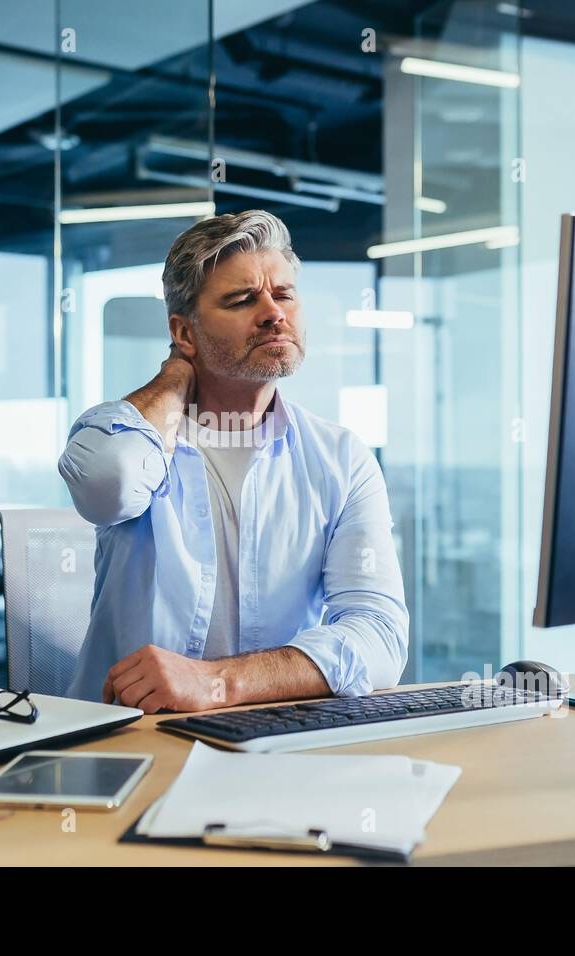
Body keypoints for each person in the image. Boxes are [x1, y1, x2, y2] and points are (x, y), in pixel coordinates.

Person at [58, 209, 408, 712]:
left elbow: (379, 636)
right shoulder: (132, 437)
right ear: (184, 332)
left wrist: (218, 682)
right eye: (243, 300)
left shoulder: (340, 457)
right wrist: (174, 378)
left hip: (273, 740)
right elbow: (107, 482)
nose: (273, 313)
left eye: (283, 294)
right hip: (130, 736)